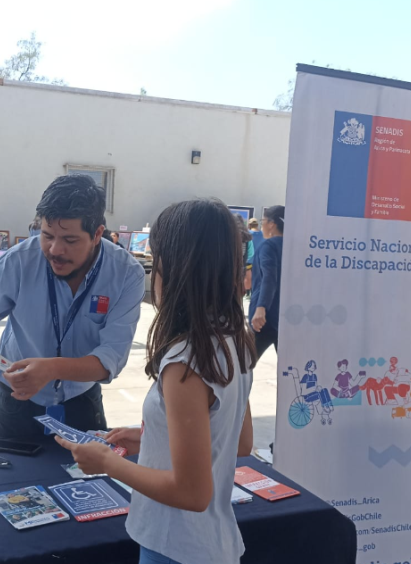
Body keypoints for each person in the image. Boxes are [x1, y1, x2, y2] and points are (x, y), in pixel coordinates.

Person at [55, 198, 254, 564]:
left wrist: (107, 463)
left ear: (174, 269)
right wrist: (151, 438)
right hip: (212, 543)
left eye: (156, 262)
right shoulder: (233, 340)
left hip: (175, 547)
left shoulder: (184, 364)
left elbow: (193, 493)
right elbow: (237, 442)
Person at [0, 175, 145, 441]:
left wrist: (52, 369)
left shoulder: (125, 273)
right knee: (8, 477)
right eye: (47, 235)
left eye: (70, 240)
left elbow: (111, 358)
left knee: (83, 477)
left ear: (97, 234)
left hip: (81, 398)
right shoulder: (21, 260)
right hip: (17, 397)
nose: (55, 249)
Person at [249, 205, 284, 358]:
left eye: (263, 221)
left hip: (265, 317)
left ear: (272, 224)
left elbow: (269, 277)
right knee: (287, 367)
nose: (261, 225)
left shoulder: (269, 246)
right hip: (285, 315)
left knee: (245, 364)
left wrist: (261, 307)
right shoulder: (294, 246)